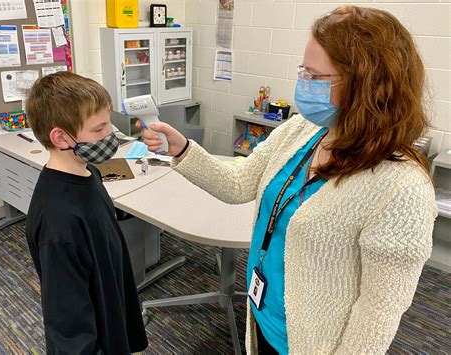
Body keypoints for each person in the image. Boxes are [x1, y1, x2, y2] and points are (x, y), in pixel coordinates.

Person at [139, 5, 437, 354]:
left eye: (314, 76)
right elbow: (239, 184)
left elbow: (377, 315)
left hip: (313, 342)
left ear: (366, 86)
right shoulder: (304, 129)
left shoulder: (402, 189)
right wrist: (184, 149)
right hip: (262, 314)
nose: (302, 84)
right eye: (302, 71)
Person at [25, 72, 148, 354]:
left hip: (110, 304)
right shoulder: (58, 224)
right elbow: (68, 323)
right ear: (60, 137)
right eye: (99, 129)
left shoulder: (88, 171)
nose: (111, 135)